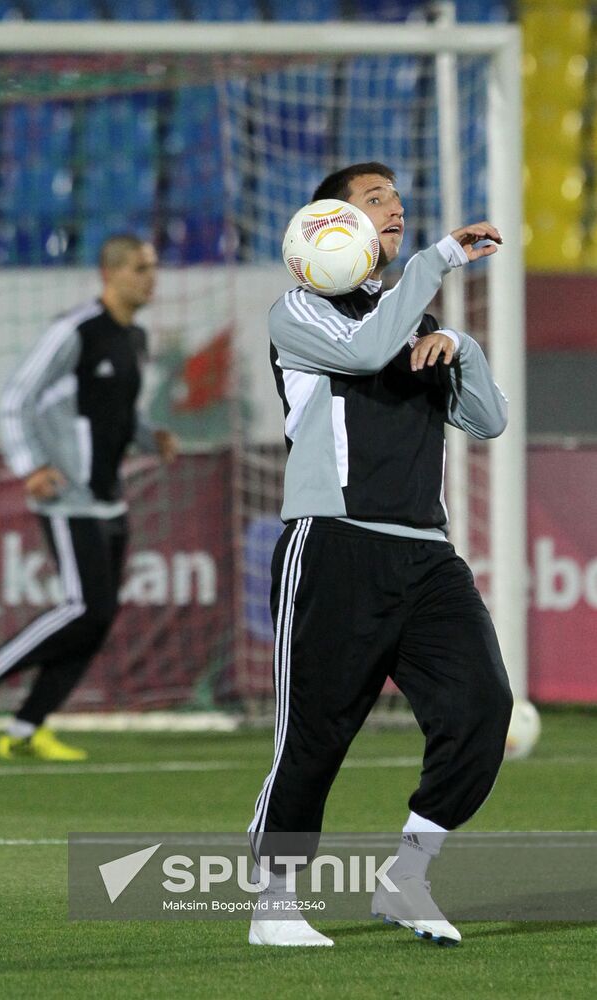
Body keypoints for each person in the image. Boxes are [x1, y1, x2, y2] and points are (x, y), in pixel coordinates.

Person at [248, 162, 513, 948]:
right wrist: (436, 258)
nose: (393, 210)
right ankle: (274, 905)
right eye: (374, 201)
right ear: (331, 224)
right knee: (316, 730)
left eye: (398, 200)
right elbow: (364, 354)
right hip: (332, 544)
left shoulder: (412, 314)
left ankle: (408, 878)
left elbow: (488, 420)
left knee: (482, 708)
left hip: (425, 553)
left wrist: (459, 343)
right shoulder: (296, 310)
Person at [0, 234, 177, 762]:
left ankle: (27, 727)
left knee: (98, 616)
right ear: (111, 272)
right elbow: (15, 396)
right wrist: (29, 465)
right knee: (83, 606)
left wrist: (150, 436)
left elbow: (114, 410)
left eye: (153, 268)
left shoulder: (134, 337)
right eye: (142, 268)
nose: (151, 278)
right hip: (65, 492)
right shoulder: (73, 331)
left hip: (108, 493)